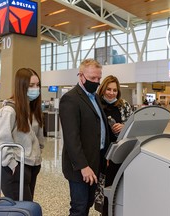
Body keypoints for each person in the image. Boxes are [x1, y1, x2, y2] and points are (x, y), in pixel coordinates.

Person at [59, 59, 110, 216]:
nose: (96, 82)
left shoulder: (94, 98)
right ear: (81, 76)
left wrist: (106, 154)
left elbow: (99, 128)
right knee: (79, 208)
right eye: (92, 78)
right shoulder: (70, 99)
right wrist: (83, 166)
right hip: (80, 167)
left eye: (98, 79)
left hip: (95, 161)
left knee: (87, 204)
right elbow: (71, 137)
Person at [0, 68, 44, 201]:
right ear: (21, 86)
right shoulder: (9, 111)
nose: (35, 89)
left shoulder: (32, 110)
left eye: (37, 85)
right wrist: (12, 164)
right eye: (31, 85)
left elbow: (37, 138)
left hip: (31, 165)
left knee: (27, 207)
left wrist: (37, 154)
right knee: (21, 209)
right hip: (14, 169)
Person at [96, 75, 133, 216]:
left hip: (120, 155)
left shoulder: (124, 106)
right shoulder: (97, 105)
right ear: (103, 89)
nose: (111, 93)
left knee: (118, 190)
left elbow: (133, 126)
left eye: (115, 90)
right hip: (103, 156)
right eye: (108, 89)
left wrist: (124, 127)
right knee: (104, 192)